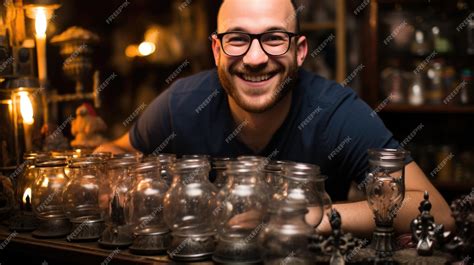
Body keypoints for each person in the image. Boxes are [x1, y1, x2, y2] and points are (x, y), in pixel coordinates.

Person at [96, 0, 455, 237]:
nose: (254, 58)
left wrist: (303, 218)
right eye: (237, 39)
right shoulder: (182, 104)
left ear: (299, 51)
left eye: (273, 38)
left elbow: (435, 210)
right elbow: (115, 151)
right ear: (217, 50)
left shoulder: (335, 112)